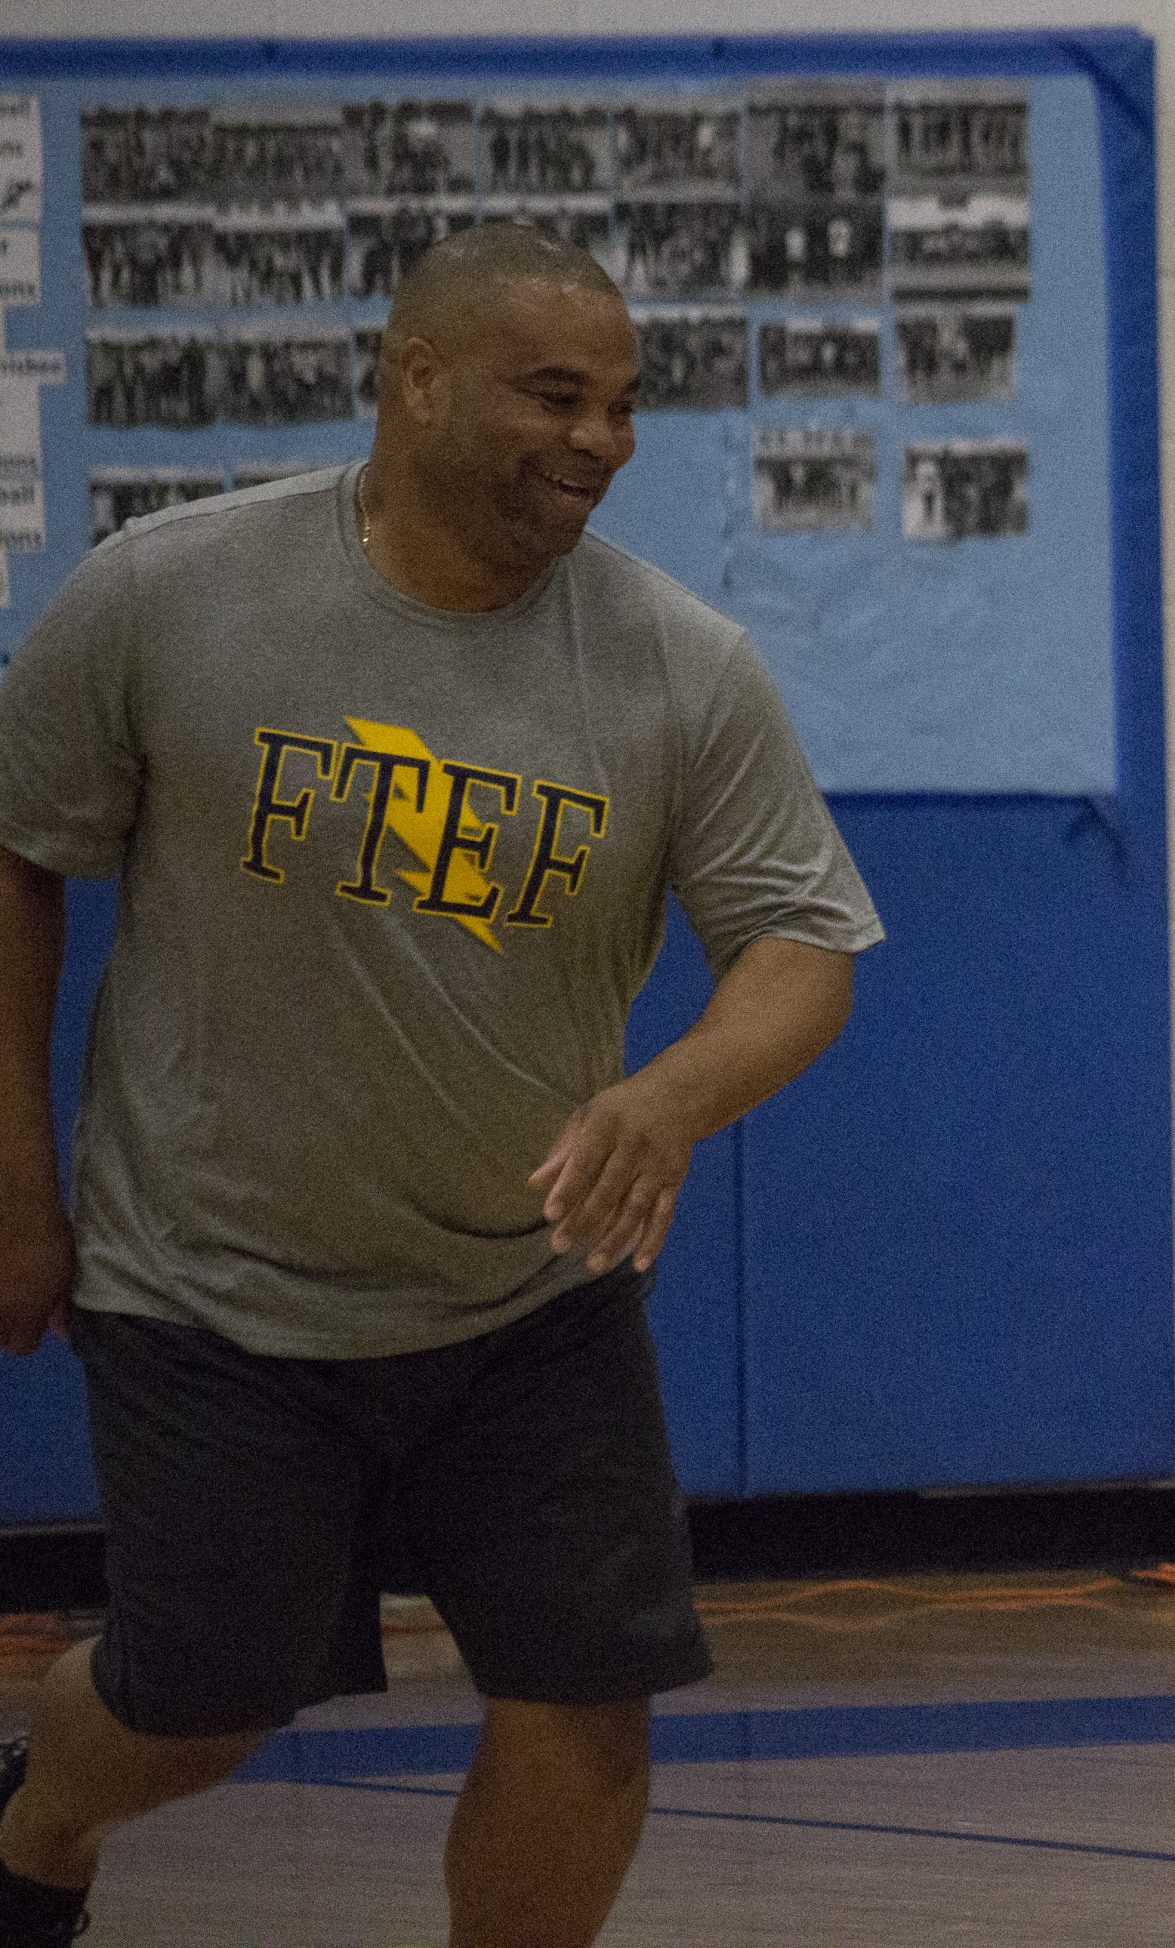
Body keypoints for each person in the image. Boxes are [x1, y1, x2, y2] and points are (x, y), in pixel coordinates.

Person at [0, 222, 882, 1948]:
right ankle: (35, 1823)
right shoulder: (171, 594)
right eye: (555, 395)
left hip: (521, 1300)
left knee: (586, 1707)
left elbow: (803, 951)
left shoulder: (679, 666)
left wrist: (671, 1095)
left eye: (624, 406)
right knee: (203, 1702)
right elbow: (19, 857)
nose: (599, 440)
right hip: (212, 1289)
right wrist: (17, 1190)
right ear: (413, 379)